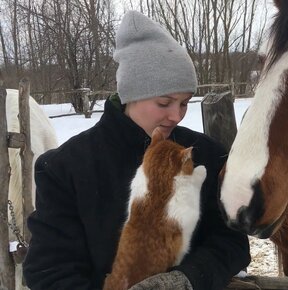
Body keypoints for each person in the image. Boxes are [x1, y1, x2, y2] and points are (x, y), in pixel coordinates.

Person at [23, 11, 251, 290]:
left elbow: (232, 243)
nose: (177, 115)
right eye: (164, 102)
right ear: (131, 94)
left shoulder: (203, 154)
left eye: (184, 102)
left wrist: (188, 279)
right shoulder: (66, 167)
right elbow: (49, 269)